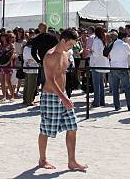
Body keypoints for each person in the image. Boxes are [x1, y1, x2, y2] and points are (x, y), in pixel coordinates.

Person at [38, 28, 87, 172]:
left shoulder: (66, 53)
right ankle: (42, 159)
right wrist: (64, 97)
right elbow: (50, 80)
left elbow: (62, 76)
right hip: (51, 97)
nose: (72, 47)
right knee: (46, 129)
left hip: (63, 95)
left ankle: (72, 161)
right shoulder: (50, 55)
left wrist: (65, 96)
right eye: (70, 44)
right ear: (63, 41)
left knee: (72, 127)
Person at [108, 30, 130, 111]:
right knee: (127, 88)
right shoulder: (125, 45)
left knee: (115, 88)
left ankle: (117, 106)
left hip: (113, 68)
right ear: (124, 37)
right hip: (123, 68)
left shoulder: (112, 44)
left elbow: (109, 56)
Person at [29, 22, 58, 86]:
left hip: (43, 62)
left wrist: (38, 61)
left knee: (44, 82)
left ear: (39, 29)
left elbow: (33, 52)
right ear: (46, 28)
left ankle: (44, 95)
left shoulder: (36, 39)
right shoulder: (53, 37)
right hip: (53, 62)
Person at [89, 27, 109, 107]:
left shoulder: (96, 41)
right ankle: (102, 101)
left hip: (96, 64)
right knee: (101, 84)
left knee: (96, 84)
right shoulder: (103, 41)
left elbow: (97, 53)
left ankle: (96, 102)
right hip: (102, 64)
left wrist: (91, 51)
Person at [22, 38, 39, 106]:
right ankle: (29, 101)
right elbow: (34, 57)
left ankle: (25, 99)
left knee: (27, 84)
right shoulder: (31, 49)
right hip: (32, 68)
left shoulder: (25, 48)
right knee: (31, 85)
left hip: (27, 67)